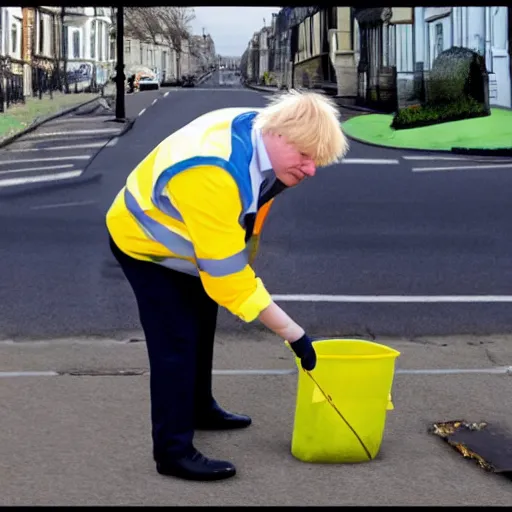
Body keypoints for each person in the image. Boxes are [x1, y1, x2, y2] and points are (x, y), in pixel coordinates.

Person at [106, 90, 349, 482]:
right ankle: (173, 452)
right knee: (176, 344)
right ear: (281, 135)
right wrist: (297, 336)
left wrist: (239, 250)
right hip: (147, 245)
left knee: (201, 324)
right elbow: (229, 283)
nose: (311, 170)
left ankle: (199, 407)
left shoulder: (261, 128)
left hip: (188, 240)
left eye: (316, 161)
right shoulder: (214, 172)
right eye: (305, 157)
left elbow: (249, 213)